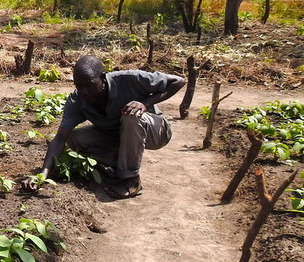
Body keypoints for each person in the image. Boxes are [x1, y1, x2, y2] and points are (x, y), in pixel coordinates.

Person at [21, 55, 185, 199]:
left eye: (90, 85)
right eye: (80, 87)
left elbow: (178, 81)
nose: (85, 92)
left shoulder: (128, 79)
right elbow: (60, 139)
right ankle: (118, 165)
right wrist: (41, 175)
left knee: (131, 114)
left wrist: (144, 103)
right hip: (118, 137)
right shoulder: (77, 101)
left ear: (103, 78)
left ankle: (131, 181)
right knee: (73, 139)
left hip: (156, 131)